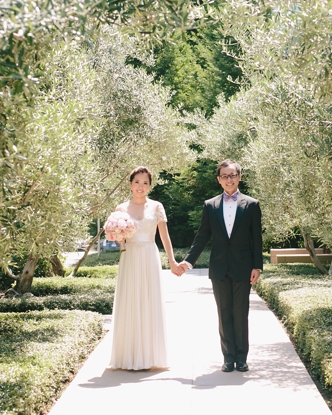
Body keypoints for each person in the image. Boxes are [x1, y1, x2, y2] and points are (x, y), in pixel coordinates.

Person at [179, 159, 263, 372]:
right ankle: (228, 358)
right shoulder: (210, 205)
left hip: (243, 268)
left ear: (239, 177)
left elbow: (256, 238)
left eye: (232, 175)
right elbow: (202, 236)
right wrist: (188, 261)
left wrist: (257, 266)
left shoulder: (252, 204)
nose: (229, 179)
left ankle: (241, 358)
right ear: (219, 179)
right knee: (224, 313)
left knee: (240, 313)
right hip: (218, 268)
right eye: (225, 176)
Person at [109, 166, 183, 370]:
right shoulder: (121, 209)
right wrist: (117, 236)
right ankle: (129, 356)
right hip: (130, 257)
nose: (140, 186)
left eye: (145, 183)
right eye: (137, 182)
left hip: (150, 256)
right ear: (131, 184)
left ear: (150, 186)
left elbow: (164, 237)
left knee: (149, 300)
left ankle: (149, 356)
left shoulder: (157, 206)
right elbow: (118, 239)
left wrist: (172, 261)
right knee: (130, 300)